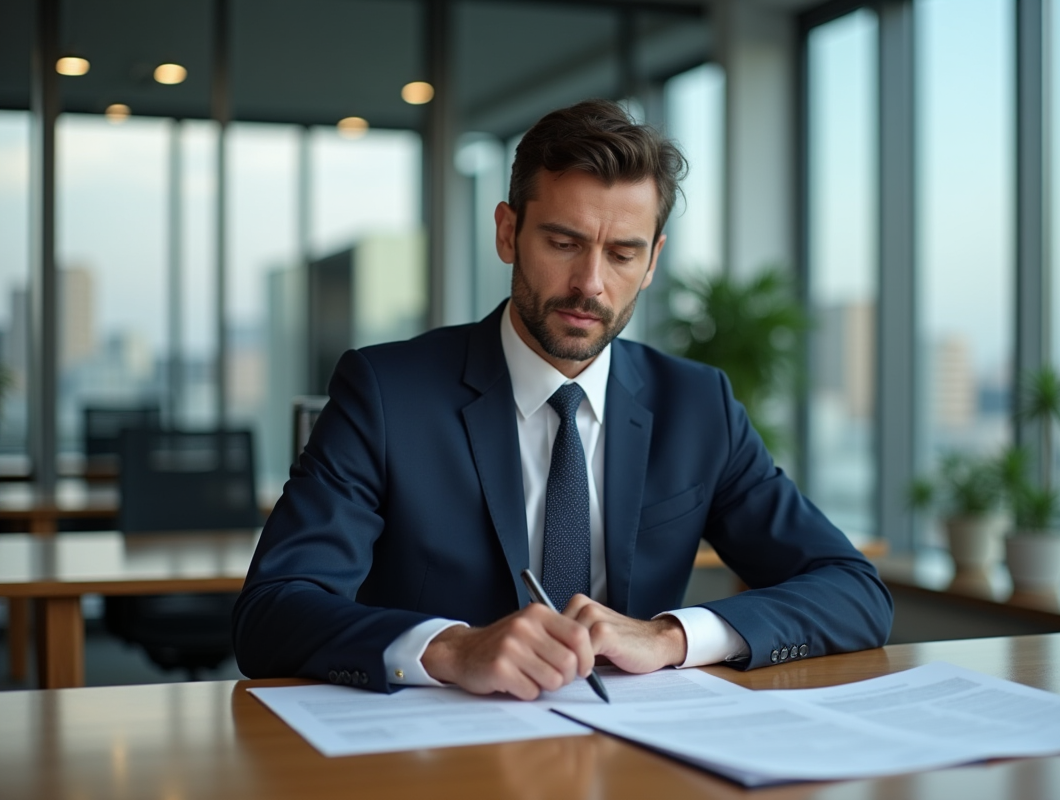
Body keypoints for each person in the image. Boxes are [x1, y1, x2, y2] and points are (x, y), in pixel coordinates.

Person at [233, 99, 892, 698]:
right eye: (563, 243)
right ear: (507, 232)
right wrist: (450, 647)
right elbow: (272, 612)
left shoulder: (699, 406)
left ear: (653, 260)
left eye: (623, 254)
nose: (591, 284)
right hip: (431, 758)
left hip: (636, 758)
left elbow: (853, 590)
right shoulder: (385, 393)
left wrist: (668, 637)